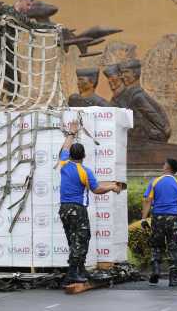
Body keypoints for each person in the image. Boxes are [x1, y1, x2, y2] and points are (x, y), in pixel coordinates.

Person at [59, 120, 122, 283]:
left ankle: (79, 270)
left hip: (64, 209)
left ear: (71, 155)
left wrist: (72, 132)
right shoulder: (85, 172)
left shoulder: (64, 163)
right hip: (77, 209)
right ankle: (73, 273)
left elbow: (65, 147)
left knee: (73, 240)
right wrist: (112, 187)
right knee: (81, 240)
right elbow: (96, 189)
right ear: (84, 156)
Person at [0, 0, 54, 101]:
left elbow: (34, 25)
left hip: (9, 50)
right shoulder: (4, 9)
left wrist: (52, 27)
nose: (29, 8)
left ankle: (11, 102)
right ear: (21, 1)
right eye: (28, 4)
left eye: (31, 5)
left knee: (15, 78)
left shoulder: (21, 18)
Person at [141, 158, 177, 287]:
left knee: (156, 246)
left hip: (157, 218)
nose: (163, 165)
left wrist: (144, 218)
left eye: (164, 164)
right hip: (173, 219)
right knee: (174, 248)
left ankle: (156, 269)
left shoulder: (155, 181)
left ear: (167, 167)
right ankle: (173, 279)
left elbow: (147, 201)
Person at [111, 59, 171, 143]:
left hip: (145, 137)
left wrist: (164, 128)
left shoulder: (136, 95)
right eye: (122, 73)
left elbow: (151, 113)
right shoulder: (127, 93)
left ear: (135, 73)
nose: (123, 76)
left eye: (126, 72)